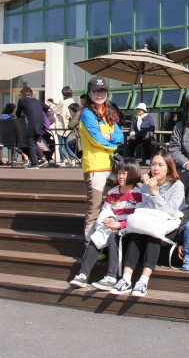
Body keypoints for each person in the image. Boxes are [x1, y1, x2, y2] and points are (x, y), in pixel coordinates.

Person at [109, 151, 185, 298]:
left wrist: (154, 192)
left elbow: (169, 211)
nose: (156, 168)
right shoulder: (146, 183)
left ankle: (143, 280)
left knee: (152, 234)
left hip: (168, 226)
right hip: (149, 222)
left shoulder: (177, 185)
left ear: (168, 168)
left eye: (160, 165)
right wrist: (149, 189)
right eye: (153, 164)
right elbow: (141, 207)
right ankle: (126, 278)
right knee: (139, 232)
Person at [69, 159, 143, 289]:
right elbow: (106, 210)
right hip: (112, 224)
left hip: (128, 228)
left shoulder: (138, 193)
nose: (120, 176)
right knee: (97, 236)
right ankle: (83, 274)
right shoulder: (112, 192)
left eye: (124, 173)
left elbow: (139, 216)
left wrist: (121, 225)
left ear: (133, 173)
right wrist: (107, 219)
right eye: (119, 173)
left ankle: (111, 276)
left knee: (112, 236)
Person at [78, 76, 125, 239]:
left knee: (121, 198)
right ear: (89, 93)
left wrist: (110, 137)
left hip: (111, 166)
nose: (100, 94)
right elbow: (96, 139)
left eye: (103, 91)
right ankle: (89, 245)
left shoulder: (108, 112)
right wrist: (113, 142)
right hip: (95, 167)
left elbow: (121, 136)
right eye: (96, 91)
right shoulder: (86, 114)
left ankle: (111, 238)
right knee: (94, 207)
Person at [15, 87, 51, 168]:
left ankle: (34, 164)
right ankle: (43, 159)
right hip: (40, 124)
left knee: (30, 143)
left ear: (23, 94)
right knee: (34, 142)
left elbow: (18, 113)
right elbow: (47, 108)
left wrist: (21, 116)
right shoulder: (37, 101)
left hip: (32, 124)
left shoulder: (22, 100)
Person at [49, 86, 77, 167]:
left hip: (61, 126)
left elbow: (55, 110)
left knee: (60, 145)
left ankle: (62, 160)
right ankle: (72, 159)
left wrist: (51, 104)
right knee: (68, 144)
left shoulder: (63, 103)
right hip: (70, 126)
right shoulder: (72, 102)